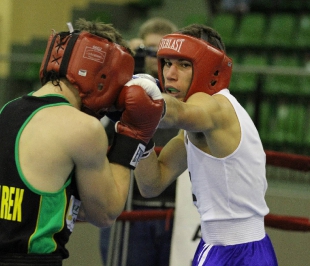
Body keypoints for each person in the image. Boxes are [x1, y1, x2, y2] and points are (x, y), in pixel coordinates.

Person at [0, 18, 164, 265]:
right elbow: (105, 212)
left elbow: (70, 205)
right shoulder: (84, 128)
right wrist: (132, 135)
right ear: (104, 76)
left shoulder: (8, 109)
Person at [134, 24, 278, 265]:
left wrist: (146, 97)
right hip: (228, 247)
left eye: (184, 64)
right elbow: (151, 184)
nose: (170, 74)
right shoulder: (194, 129)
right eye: (167, 63)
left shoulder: (215, 107)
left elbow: (177, 113)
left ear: (208, 69)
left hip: (235, 250)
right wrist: (140, 131)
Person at [99, 17, 178, 266]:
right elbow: (100, 133)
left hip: (176, 209)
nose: (155, 58)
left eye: (162, 52)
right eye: (149, 50)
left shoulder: (185, 93)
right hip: (130, 207)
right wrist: (125, 71)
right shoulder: (122, 88)